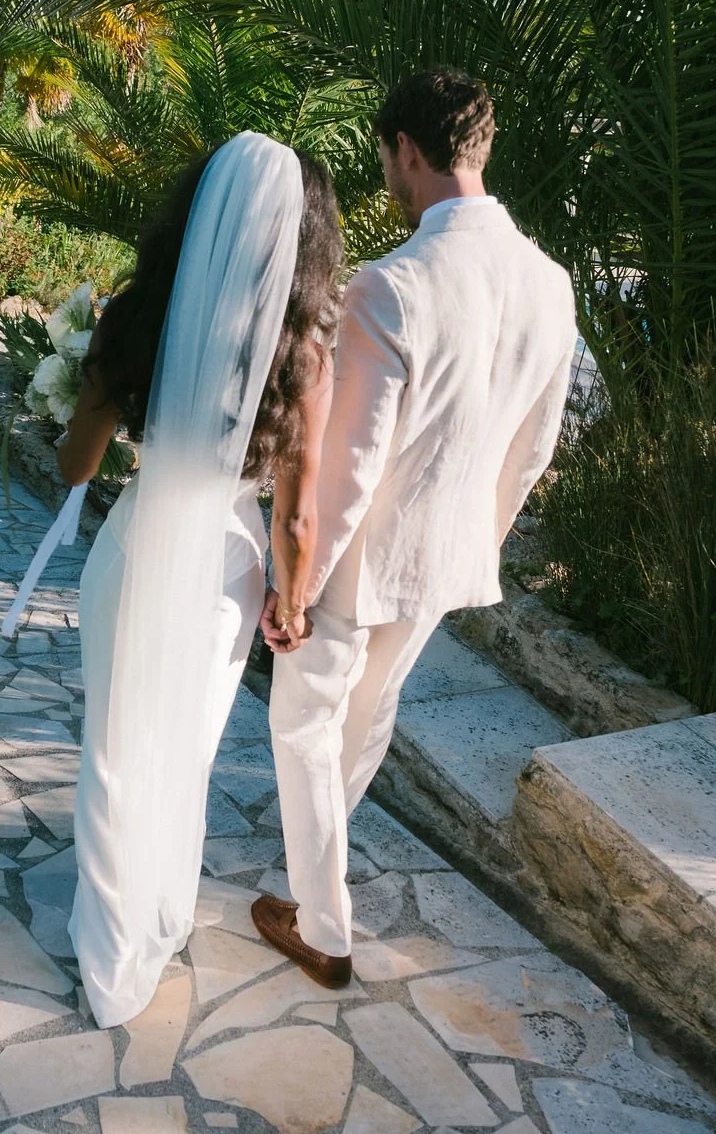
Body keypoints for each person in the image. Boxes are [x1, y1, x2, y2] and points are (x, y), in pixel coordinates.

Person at [253, 69, 577, 987]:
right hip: (447, 556)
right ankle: (310, 880)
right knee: (363, 721)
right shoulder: (552, 285)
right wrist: (480, 537)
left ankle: (323, 926)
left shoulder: (392, 286)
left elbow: (349, 469)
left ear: (406, 150)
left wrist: (297, 583)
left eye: (387, 159)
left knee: (305, 723)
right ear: (481, 145)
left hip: (359, 562)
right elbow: (536, 447)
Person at [54, 131, 343, 1027]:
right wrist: (290, 606)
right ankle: (162, 914)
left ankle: (109, 962)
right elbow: (295, 517)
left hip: (137, 547)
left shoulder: (134, 318)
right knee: (188, 752)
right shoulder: (305, 360)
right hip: (229, 566)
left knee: (111, 748)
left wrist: (70, 395)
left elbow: (74, 463)